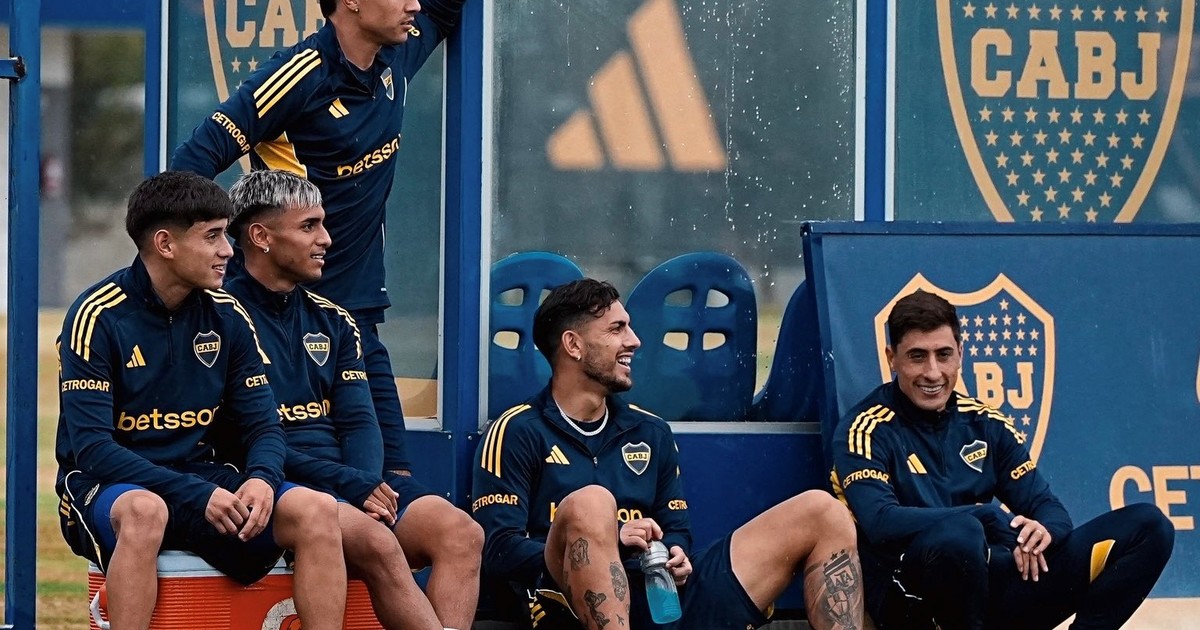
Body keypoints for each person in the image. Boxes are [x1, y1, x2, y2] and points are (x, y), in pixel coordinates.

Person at [171, 0, 465, 495]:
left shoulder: (398, 52)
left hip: (356, 314)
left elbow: (444, 7)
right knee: (303, 486)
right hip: (284, 317)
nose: (413, 4)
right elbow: (193, 160)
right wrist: (216, 246)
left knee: (396, 484)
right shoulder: (299, 74)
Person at [472, 278, 865, 630]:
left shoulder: (651, 430)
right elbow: (498, 548)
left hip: (662, 598)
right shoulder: (517, 430)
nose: (634, 341)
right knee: (592, 504)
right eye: (616, 329)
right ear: (573, 345)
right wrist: (606, 541)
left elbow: (676, 526)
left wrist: (676, 552)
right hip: (572, 607)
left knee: (823, 511)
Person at [54, 171, 347, 630]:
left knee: (316, 509)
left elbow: (263, 427)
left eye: (225, 235)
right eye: (212, 236)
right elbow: (93, 450)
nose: (228, 250)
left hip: (201, 481)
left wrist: (263, 479)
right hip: (109, 487)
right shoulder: (97, 315)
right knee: (146, 511)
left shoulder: (228, 315)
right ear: (165, 244)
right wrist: (197, 493)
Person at [221, 169, 483, 629]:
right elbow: (245, 440)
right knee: (379, 543)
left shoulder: (335, 321)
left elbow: (360, 422)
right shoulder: (218, 320)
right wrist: (347, 484)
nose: (325, 239)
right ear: (260, 237)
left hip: (352, 483)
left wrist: (361, 486)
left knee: (461, 532)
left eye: (322, 224)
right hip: (279, 483)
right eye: (309, 226)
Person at [831, 289, 1175, 630]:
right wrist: (981, 515)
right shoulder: (865, 428)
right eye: (917, 356)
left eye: (944, 355)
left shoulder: (987, 424)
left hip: (993, 588)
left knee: (1149, 526)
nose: (933, 372)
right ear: (892, 358)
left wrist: (1042, 532)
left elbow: (1048, 508)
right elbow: (881, 522)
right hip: (912, 602)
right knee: (961, 535)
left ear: (961, 353)